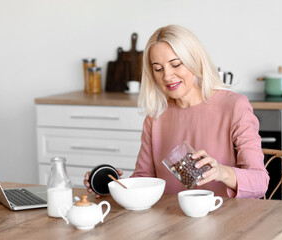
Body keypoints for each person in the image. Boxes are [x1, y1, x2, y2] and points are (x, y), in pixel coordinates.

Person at [84, 25, 269, 199]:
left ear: (194, 61)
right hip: (172, 222)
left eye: (176, 64)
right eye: (158, 69)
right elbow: (144, 177)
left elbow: (260, 183)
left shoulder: (234, 106)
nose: (167, 76)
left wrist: (221, 171)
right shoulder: (156, 116)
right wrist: (114, 185)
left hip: (227, 222)